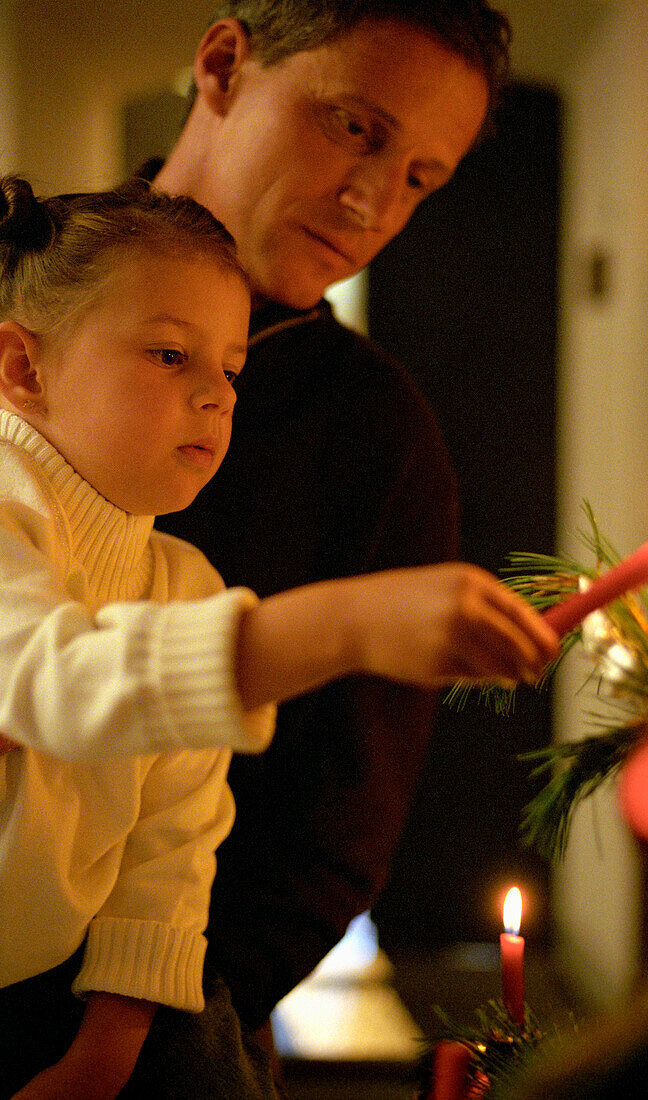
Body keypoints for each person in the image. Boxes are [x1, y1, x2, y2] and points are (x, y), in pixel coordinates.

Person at [0, 174, 557, 1099]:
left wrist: (107, 1049)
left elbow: (171, 843)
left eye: (230, 368)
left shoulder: (183, 581)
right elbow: (47, 681)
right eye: (171, 355)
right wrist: (343, 623)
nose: (217, 396)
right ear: (22, 367)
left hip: (55, 1008)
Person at [151, 0, 515, 1047]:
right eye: (354, 126)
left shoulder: (380, 435)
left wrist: (148, 1024)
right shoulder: (26, 270)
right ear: (224, 62)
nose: (370, 203)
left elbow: (335, 837)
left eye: (419, 177)